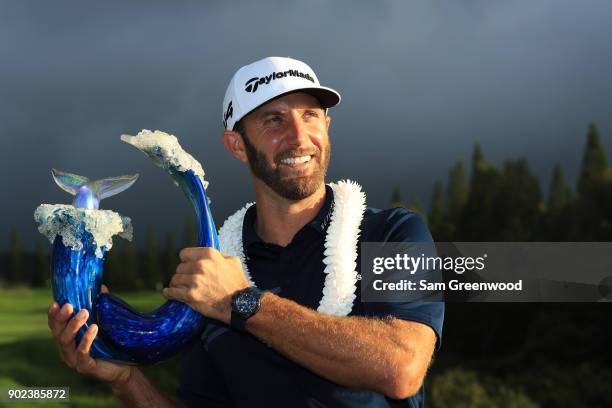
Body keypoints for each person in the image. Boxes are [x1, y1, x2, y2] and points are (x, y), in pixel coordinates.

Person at [48, 56, 444, 407]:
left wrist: (241, 302)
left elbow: (400, 367)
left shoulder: (394, 233)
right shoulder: (213, 272)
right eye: (274, 119)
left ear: (327, 125)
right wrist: (125, 379)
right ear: (237, 145)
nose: (299, 136)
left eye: (310, 115)